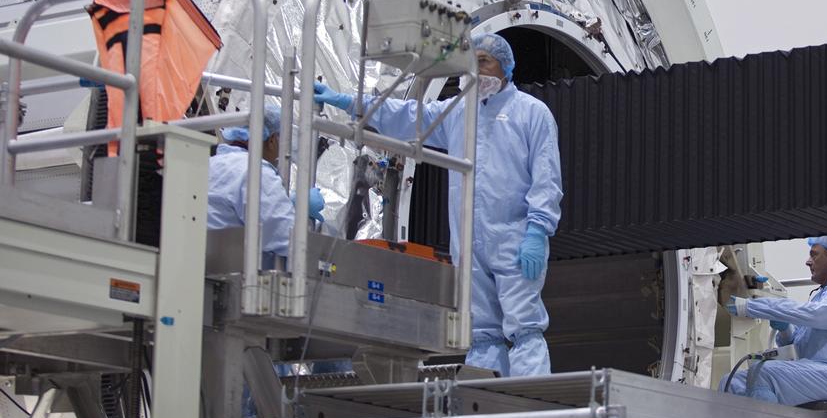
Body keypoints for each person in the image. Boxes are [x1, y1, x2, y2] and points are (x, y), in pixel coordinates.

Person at [313, 33, 562, 377]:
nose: (475, 69)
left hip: (515, 239)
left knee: (524, 326)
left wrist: (537, 230)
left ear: (505, 68)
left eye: (484, 61)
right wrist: (347, 102)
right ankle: (486, 400)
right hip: (468, 244)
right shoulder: (459, 113)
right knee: (481, 331)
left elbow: (547, 178)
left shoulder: (532, 114)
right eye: (470, 61)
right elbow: (407, 117)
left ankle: (534, 398)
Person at [720, 235, 827, 407]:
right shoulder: (822, 295)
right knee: (730, 382)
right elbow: (798, 347)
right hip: (815, 371)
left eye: (814, 255)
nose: (808, 262)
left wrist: (750, 306)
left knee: (763, 373)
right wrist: (785, 329)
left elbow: (818, 315)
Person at [207, 102, 324, 267]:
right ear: (272, 140)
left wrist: (288, 203)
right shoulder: (256, 172)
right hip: (232, 281)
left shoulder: (211, 164)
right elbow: (292, 241)